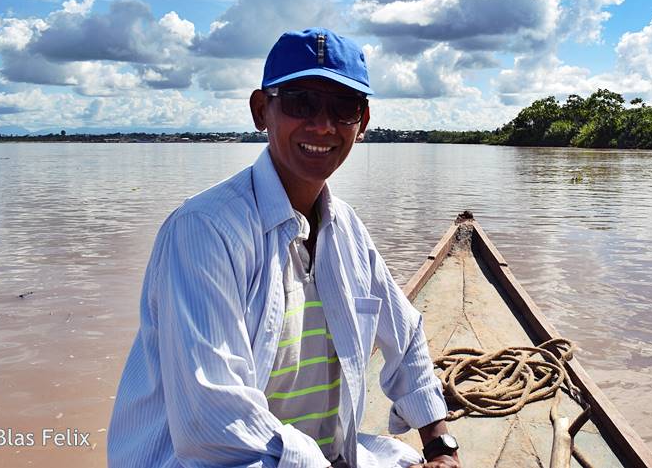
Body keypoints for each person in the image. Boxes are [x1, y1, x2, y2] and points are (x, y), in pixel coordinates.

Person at [107, 28, 461, 468]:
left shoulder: (347, 230)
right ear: (261, 111)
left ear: (362, 122)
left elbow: (405, 336)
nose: (322, 125)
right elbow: (214, 427)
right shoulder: (205, 232)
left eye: (343, 108)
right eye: (300, 102)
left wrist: (439, 443)